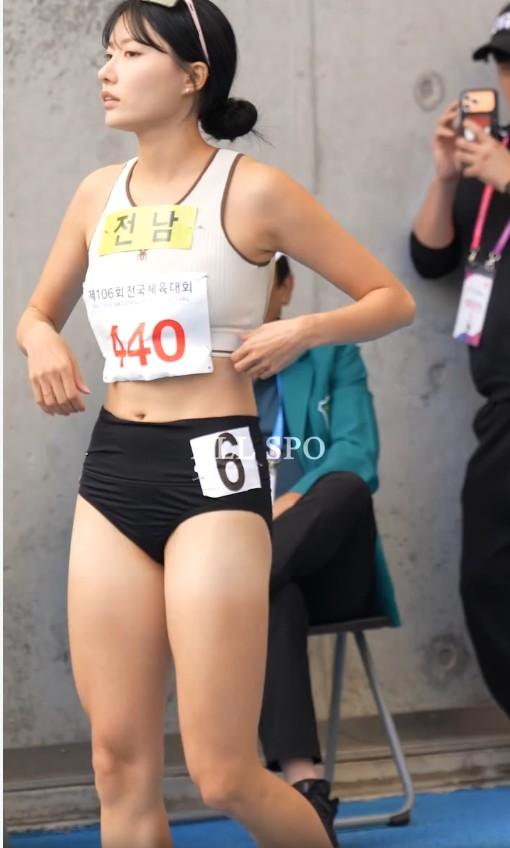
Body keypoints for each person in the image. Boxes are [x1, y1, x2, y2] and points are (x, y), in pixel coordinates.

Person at [16, 2, 415, 846]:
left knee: (223, 770)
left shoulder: (254, 189)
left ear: (193, 78)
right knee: (117, 763)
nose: (108, 70)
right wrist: (41, 339)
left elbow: (392, 298)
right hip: (114, 470)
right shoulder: (95, 196)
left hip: (214, 470)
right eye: (107, 53)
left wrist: (304, 330)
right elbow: (36, 312)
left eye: (133, 53)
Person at [254, 255, 383, 848]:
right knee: (271, 593)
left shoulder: (331, 355)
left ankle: (239, 583)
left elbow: (357, 451)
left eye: (260, 278)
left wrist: (293, 499)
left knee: (346, 486)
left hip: (333, 569)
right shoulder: (202, 371)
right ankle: (306, 789)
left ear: (286, 286)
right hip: (258, 574)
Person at [411, 4, 510, 717]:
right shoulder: (490, 156)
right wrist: (448, 176)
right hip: (502, 407)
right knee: (487, 576)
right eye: (502, 63)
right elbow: (431, 257)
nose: (507, 76)